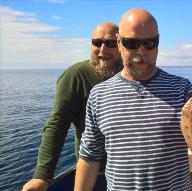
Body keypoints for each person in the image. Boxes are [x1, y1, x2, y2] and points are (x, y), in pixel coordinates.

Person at [75, 8, 192, 191]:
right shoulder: (99, 95)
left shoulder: (182, 89)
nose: (142, 50)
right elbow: (90, 156)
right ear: (119, 43)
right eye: (132, 43)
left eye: (150, 43)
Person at [22, 22, 122, 191]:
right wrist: (42, 176)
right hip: (94, 174)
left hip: (132, 172)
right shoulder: (75, 76)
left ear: (121, 44)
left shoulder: (134, 74)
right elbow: (57, 124)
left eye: (111, 43)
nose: (102, 50)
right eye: (97, 42)